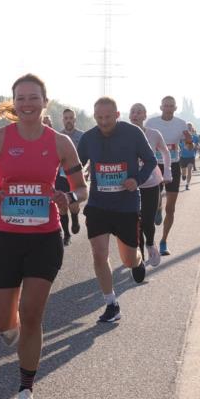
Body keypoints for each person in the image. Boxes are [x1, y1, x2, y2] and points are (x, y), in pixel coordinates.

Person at [0, 74, 87, 399]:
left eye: (34, 98)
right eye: (21, 98)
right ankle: (15, 332)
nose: (27, 104)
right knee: (3, 322)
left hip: (44, 237)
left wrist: (69, 198)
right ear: (13, 103)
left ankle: (25, 391)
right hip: (4, 238)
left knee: (33, 315)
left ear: (45, 102)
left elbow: (82, 188)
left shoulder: (61, 143)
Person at [76, 97, 157, 323]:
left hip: (126, 205)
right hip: (98, 205)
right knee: (99, 254)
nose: (104, 122)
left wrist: (137, 179)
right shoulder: (89, 138)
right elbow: (74, 165)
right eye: (99, 118)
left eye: (108, 117)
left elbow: (150, 161)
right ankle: (111, 303)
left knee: (129, 259)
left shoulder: (132, 133)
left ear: (117, 114)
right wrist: (68, 188)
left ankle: (138, 262)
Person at [128, 103, 172, 268]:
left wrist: (167, 171)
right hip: (131, 184)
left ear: (144, 116)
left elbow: (166, 152)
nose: (135, 114)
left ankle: (150, 244)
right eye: (133, 111)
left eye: (139, 112)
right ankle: (138, 257)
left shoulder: (153, 134)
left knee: (147, 221)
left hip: (151, 183)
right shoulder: (123, 135)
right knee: (134, 221)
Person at [146, 96, 188, 257]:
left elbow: (189, 143)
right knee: (154, 202)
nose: (168, 108)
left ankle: (163, 241)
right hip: (154, 165)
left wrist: (189, 141)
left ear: (175, 108)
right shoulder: (151, 123)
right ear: (161, 107)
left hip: (173, 165)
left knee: (171, 208)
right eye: (165, 106)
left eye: (171, 106)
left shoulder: (181, 124)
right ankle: (157, 207)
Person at [56, 107, 86, 245]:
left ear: (75, 119)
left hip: (75, 177)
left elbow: (90, 154)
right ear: (63, 120)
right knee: (62, 205)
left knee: (73, 204)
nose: (68, 121)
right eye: (66, 118)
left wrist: (90, 168)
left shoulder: (82, 136)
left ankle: (74, 217)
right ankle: (66, 234)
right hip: (60, 177)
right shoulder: (58, 136)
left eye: (71, 118)